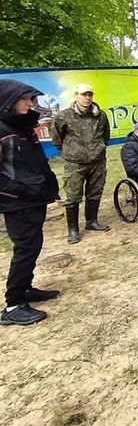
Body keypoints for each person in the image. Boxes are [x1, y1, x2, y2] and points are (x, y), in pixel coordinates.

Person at [0, 80, 60, 326]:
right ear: (8, 102)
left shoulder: (22, 126)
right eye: (24, 99)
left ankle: (25, 289)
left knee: (32, 246)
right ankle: (13, 305)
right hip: (18, 201)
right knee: (26, 249)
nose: (30, 103)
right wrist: (20, 191)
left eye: (30, 99)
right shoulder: (3, 130)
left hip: (33, 197)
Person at [51, 83, 111, 244]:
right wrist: (72, 150)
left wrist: (99, 148)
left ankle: (92, 222)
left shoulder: (100, 115)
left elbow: (105, 135)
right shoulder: (63, 116)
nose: (87, 98)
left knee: (95, 192)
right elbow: (56, 138)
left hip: (97, 161)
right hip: (75, 163)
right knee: (73, 196)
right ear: (76, 96)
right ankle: (73, 230)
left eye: (90, 94)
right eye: (84, 94)